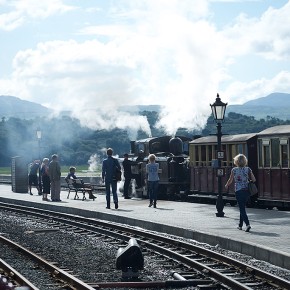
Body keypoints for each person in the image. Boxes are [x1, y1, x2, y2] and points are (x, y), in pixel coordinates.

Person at [225, 154, 256, 232]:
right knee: (242, 207)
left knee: (241, 208)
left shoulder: (234, 170)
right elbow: (254, 179)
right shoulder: (248, 169)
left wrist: (226, 185)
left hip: (238, 191)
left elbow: (230, 180)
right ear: (245, 161)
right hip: (246, 191)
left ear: (236, 161)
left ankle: (248, 224)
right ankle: (240, 225)